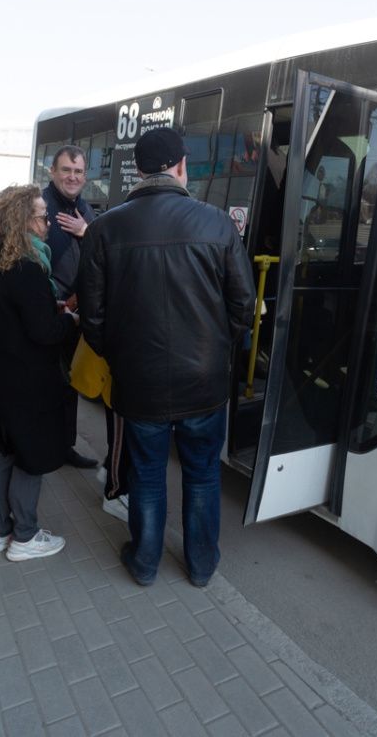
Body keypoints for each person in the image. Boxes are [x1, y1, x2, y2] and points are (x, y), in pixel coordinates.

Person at [78, 127, 255, 587]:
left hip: (139, 383)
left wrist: (118, 355)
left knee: (149, 475)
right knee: (201, 475)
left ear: (138, 169)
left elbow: (91, 317)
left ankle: (144, 563)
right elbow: (243, 307)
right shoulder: (217, 224)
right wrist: (217, 350)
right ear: (181, 166)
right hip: (204, 381)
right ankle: (200, 566)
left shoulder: (103, 228)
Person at [0, 184, 76, 562]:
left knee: (7, 449)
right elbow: (44, 333)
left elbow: (16, 317)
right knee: (30, 456)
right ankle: (25, 537)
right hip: (25, 379)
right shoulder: (28, 269)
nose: (46, 222)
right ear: (22, 221)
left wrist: (50, 308)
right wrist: (68, 319)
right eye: (40, 215)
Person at [42, 146, 98, 470]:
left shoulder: (85, 209)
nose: (72, 177)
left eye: (78, 172)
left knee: (69, 383)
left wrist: (85, 232)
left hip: (75, 314)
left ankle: (65, 446)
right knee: (48, 383)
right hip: (50, 312)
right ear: (53, 171)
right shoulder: (40, 207)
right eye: (66, 170)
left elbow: (101, 251)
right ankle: (47, 445)